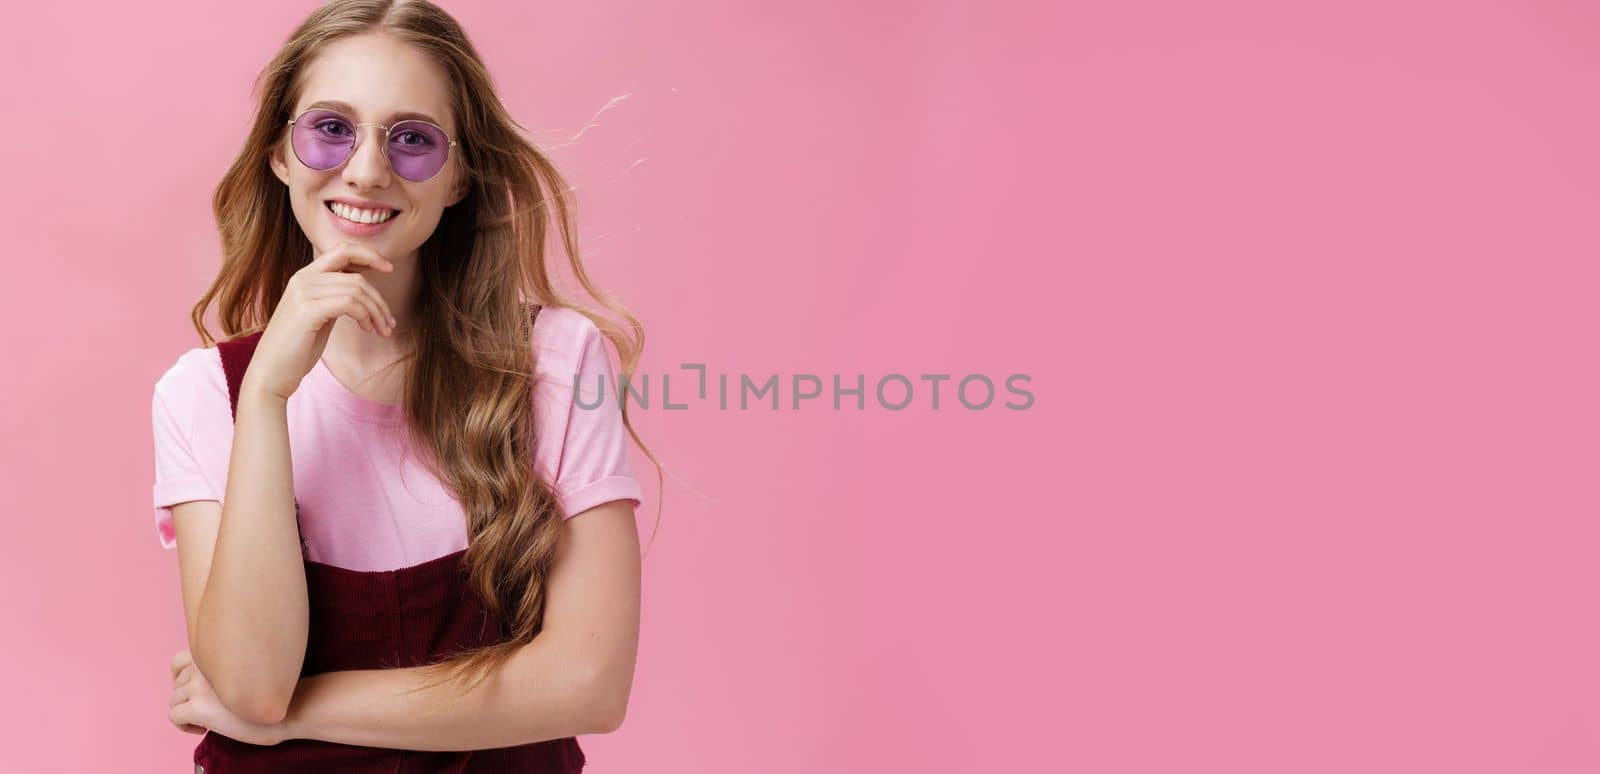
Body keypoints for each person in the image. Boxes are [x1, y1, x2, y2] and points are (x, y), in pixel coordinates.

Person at [151, 1, 662, 770]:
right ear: (279, 155)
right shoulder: (203, 393)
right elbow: (254, 685)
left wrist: (295, 715)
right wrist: (265, 400)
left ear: (460, 178)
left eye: (413, 139)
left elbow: (588, 683)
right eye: (330, 128)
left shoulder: (555, 361)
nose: (365, 169)